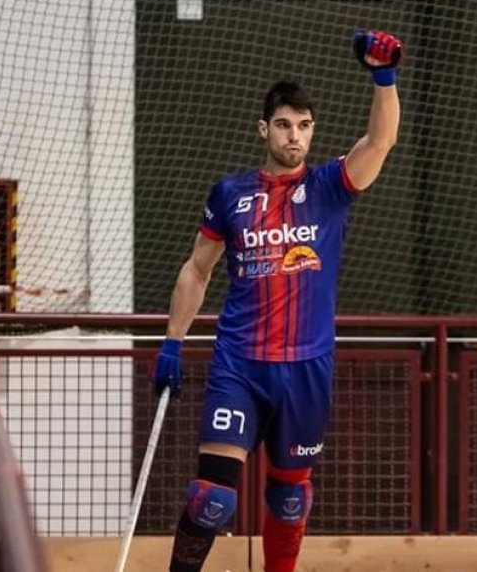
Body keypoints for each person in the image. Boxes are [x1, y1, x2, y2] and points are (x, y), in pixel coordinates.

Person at [153, 30, 404, 572]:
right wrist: (172, 343)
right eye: (285, 125)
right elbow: (197, 269)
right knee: (212, 499)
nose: (295, 136)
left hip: (306, 369)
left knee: (290, 499)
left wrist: (383, 76)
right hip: (240, 366)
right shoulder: (229, 194)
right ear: (264, 128)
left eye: (304, 126)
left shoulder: (331, 187)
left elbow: (380, 142)